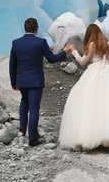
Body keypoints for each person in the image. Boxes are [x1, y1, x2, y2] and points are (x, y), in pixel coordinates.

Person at [9, 17, 71, 146]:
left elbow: (12, 65)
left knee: (24, 104)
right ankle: (33, 138)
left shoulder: (16, 43)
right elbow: (52, 59)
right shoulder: (40, 42)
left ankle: (22, 132)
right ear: (36, 28)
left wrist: (13, 82)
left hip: (22, 81)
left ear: (25, 28)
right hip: (36, 81)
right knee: (34, 108)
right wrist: (64, 52)